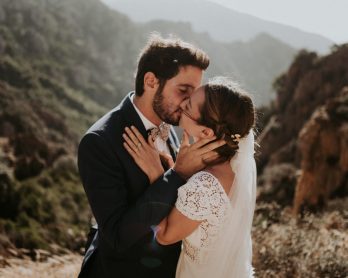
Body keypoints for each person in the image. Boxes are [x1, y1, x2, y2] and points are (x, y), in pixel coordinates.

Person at [77, 34, 226, 278]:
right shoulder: (100, 142)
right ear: (150, 81)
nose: (190, 103)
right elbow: (115, 236)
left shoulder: (173, 124)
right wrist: (175, 175)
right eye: (183, 90)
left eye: (195, 92)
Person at [123, 78, 257, 277]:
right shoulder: (231, 168)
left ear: (205, 132)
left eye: (188, 106)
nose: (182, 103)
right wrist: (175, 168)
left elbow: (164, 236)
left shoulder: (205, 186)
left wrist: (157, 174)